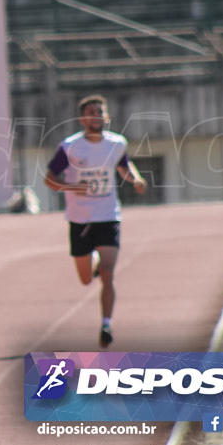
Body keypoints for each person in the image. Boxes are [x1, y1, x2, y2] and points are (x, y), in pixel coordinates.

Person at [44, 94, 146, 348]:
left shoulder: (117, 143)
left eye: (99, 112)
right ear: (82, 118)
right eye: (90, 112)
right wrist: (71, 186)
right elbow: (49, 178)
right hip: (79, 219)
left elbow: (124, 165)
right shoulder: (70, 147)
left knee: (109, 274)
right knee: (86, 280)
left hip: (108, 215)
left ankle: (106, 324)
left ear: (106, 117)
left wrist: (135, 179)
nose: (95, 116)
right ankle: (95, 264)